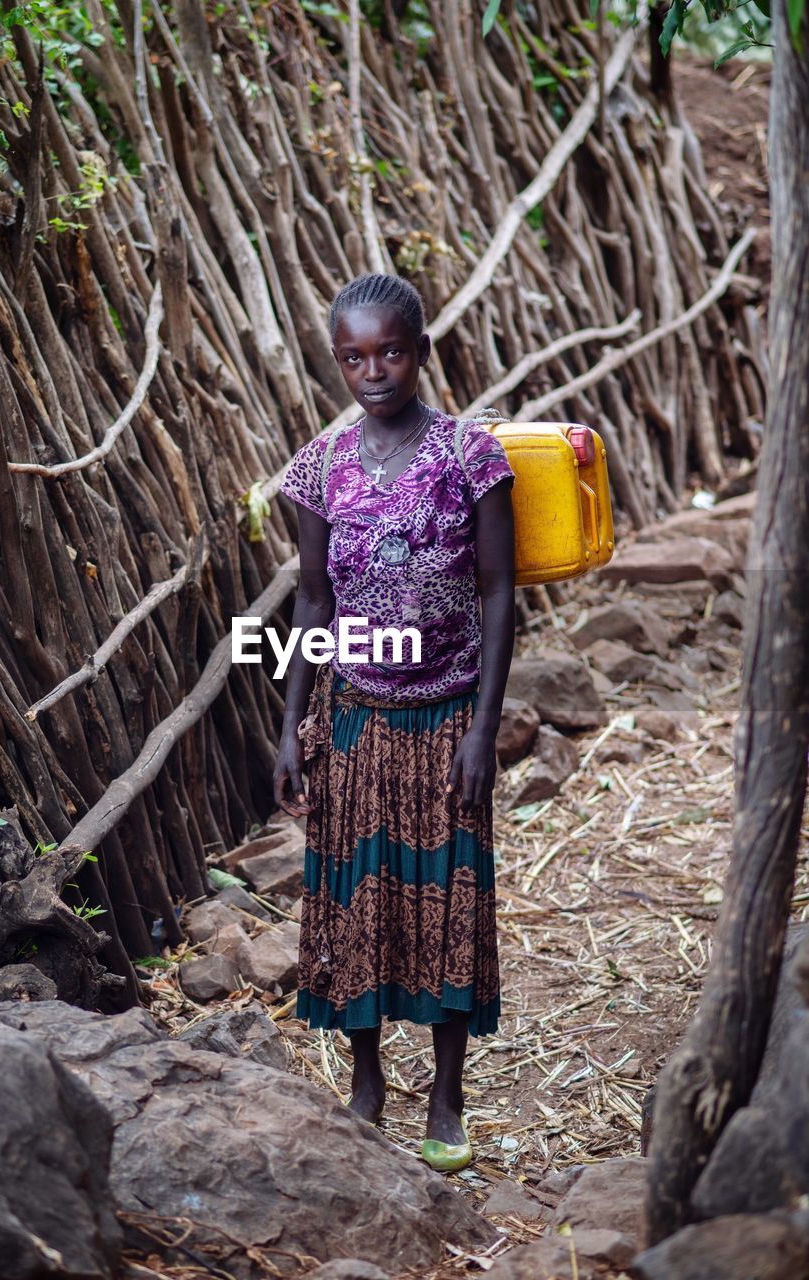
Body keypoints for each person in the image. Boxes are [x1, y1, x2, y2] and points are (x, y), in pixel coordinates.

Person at [273, 273, 515, 1172]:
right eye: (353, 356)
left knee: (450, 898)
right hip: (356, 719)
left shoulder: (470, 455)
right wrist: (290, 725)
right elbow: (311, 601)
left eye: (390, 351)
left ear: (420, 350)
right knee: (357, 901)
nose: (372, 371)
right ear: (337, 361)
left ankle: (446, 1096)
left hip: (447, 714)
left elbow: (498, 595)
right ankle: (366, 1085)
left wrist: (483, 729)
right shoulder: (319, 468)